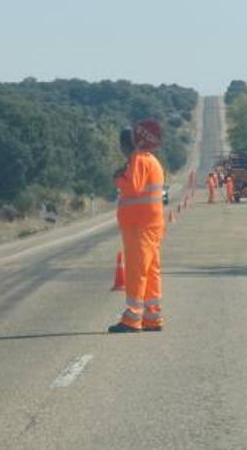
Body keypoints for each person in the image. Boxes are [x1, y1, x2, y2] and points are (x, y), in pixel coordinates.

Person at [109, 120, 166, 334]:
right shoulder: (151, 159)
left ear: (127, 145)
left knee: (137, 272)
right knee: (151, 271)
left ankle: (132, 319)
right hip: (150, 224)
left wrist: (119, 178)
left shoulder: (138, 159)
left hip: (139, 225)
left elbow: (133, 186)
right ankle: (152, 317)